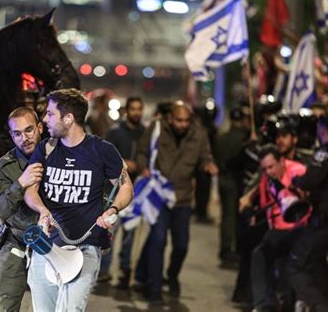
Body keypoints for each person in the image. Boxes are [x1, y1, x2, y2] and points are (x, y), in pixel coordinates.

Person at [24, 88, 134, 311]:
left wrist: (112, 210)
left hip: (86, 246)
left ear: (69, 118)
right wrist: (42, 210)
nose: (45, 120)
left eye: (50, 114)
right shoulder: (46, 148)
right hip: (46, 243)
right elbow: (30, 190)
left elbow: (125, 186)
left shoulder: (102, 150)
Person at [134, 100, 218, 304]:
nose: (182, 125)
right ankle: (153, 289)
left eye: (186, 121)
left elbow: (205, 156)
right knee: (158, 239)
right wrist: (143, 167)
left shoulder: (199, 135)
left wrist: (208, 165)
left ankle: (171, 275)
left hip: (182, 198)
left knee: (181, 245)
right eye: (178, 120)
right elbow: (141, 152)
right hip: (158, 195)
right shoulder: (156, 129)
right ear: (170, 119)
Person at [0, 107, 43, 311]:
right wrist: (20, 183)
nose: (24, 138)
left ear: (40, 127)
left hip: (52, 245)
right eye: (17, 134)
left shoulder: (59, 158)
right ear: (11, 136)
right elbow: (0, 210)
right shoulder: (3, 167)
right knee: (4, 301)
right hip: (17, 242)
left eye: (29, 130)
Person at [240, 145, 308, 312]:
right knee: (258, 253)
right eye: (264, 168)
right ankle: (264, 305)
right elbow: (267, 207)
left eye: (271, 166)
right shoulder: (267, 179)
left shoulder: (297, 170)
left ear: (282, 161)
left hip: (301, 228)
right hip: (278, 230)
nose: (268, 171)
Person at [287, 113, 328, 312]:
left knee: (297, 265)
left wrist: (295, 181)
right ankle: (326, 300)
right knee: (317, 262)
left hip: (326, 221)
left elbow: (310, 180)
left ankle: (323, 307)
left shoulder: (324, 153)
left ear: (323, 130)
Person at [99, 96, 145, 288]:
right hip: (114, 191)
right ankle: (104, 271)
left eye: (139, 109)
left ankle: (126, 271)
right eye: (133, 109)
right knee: (111, 230)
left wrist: (140, 166)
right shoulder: (115, 132)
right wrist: (126, 164)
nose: (136, 113)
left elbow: (148, 155)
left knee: (131, 233)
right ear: (126, 110)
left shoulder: (145, 132)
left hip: (138, 190)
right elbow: (105, 156)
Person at [214, 106, 250, 267]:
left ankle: (225, 248)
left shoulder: (222, 137)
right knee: (234, 216)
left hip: (223, 179)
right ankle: (231, 251)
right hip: (236, 181)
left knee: (226, 216)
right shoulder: (244, 139)